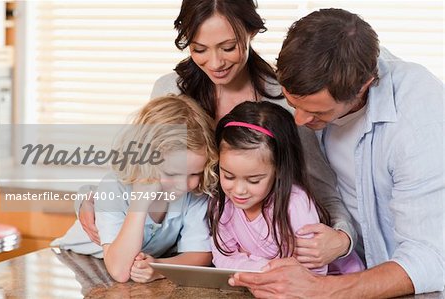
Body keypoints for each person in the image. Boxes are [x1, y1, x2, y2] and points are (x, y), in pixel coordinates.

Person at [78, 0, 357, 269]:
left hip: (230, 257)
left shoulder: (282, 101)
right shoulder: (171, 90)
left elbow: (321, 187)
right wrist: (87, 199)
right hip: (163, 253)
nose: (215, 63)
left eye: (228, 47)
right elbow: (137, 170)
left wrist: (343, 238)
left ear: (251, 31)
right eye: (199, 49)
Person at [229, 8, 445, 297]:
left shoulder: (419, 120)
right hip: (348, 267)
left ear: (363, 87)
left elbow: (430, 260)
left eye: (317, 112)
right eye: (293, 103)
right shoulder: (309, 80)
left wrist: (319, 289)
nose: (299, 121)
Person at [52, 94, 218, 283]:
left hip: (133, 262)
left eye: (194, 174)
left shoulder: (195, 193)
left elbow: (200, 255)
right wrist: (140, 200)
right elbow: (120, 271)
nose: (183, 185)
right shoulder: (115, 188)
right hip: (79, 262)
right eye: (172, 174)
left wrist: (160, 268)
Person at [209, 101, 364, 275]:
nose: (238, 190)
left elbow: (312, 272)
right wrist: (263, 267)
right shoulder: (223, 205)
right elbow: (222, 257)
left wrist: (248, 260)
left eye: (253, 180)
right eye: (228, 176)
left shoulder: (297, 205)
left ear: (279, 170)